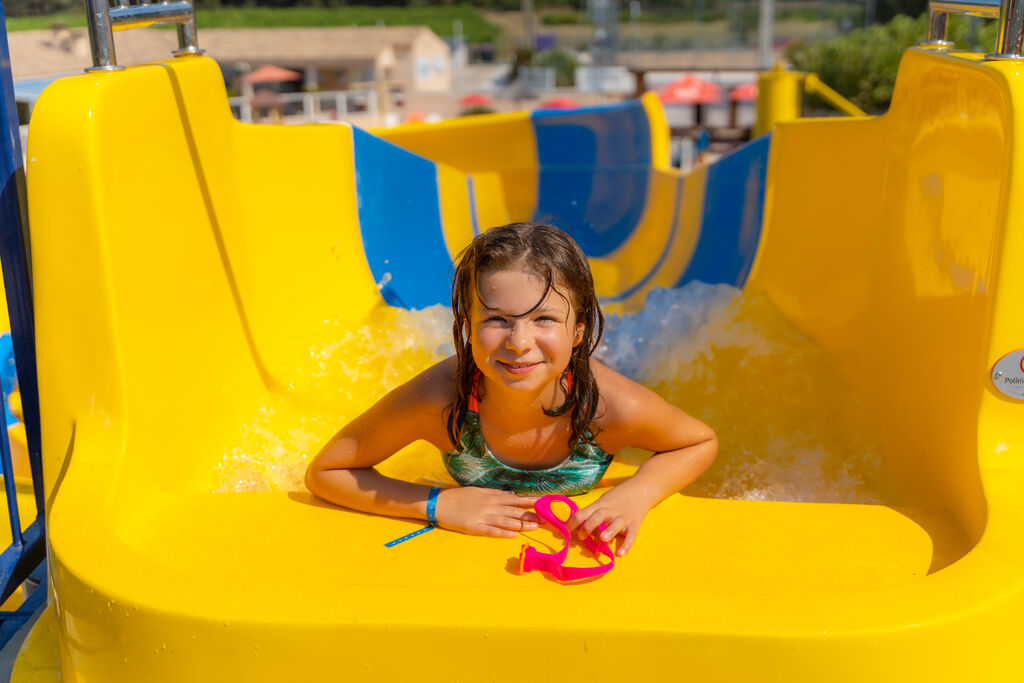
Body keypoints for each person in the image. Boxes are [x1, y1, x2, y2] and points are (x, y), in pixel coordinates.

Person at [305, 222, 717, 557]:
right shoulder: (440, 399)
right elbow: (326, 472)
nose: (519, 342)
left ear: (578, 331)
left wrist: (636, 495)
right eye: (497, 320)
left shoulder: (607, 407)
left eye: (544, 320)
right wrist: (437, 504)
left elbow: (698, 442)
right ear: (467, 325)